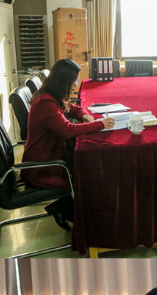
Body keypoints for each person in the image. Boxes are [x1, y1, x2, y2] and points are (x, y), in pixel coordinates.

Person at [21, 59, 115, 231]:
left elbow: (72, 108)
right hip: (43, 168)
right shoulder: (45, 103)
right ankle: (88, 222)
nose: (75, 85)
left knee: (88, 168)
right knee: (88, 177)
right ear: (63, 81)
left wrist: (83, 114)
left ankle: (66, 209)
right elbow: (67, 130)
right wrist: (100, 124)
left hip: (53, 159)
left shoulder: (52, 97)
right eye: (74, 82)